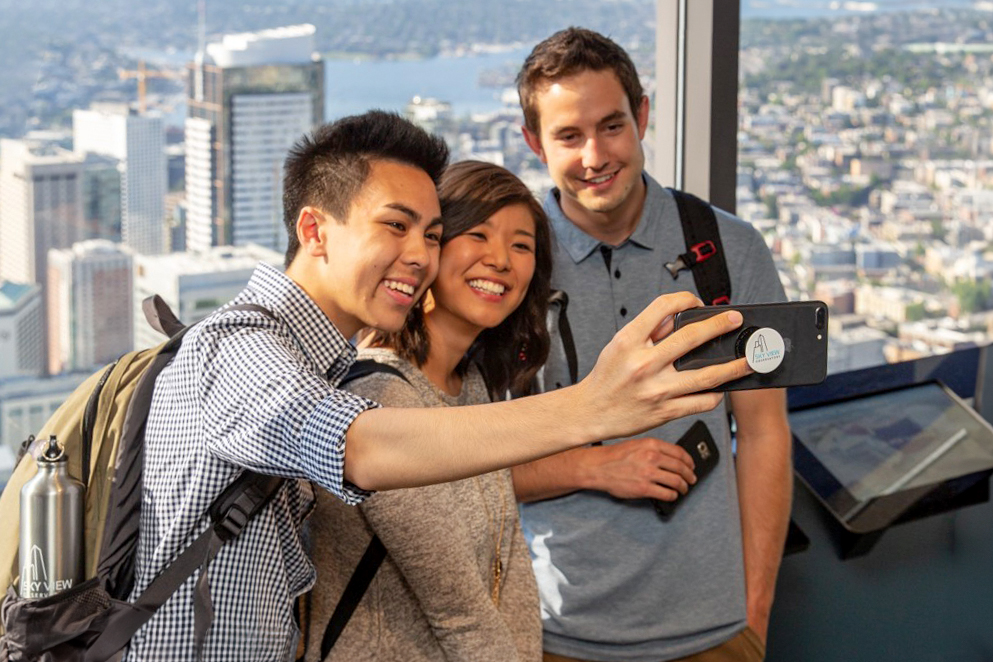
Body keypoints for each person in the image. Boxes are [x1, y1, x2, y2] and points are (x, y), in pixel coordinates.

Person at [125, 110, 751, 661]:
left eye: (430, 233)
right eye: (395, 226)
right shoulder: (236, 348)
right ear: (315, 231)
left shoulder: (332, 364)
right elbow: (357, 446)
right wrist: (592, 407)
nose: (420, 255)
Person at [512, 28, 792, 662]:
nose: (594, 155)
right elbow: (469, 465)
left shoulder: (728, 249)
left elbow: (764, 434)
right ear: (534, 143)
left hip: (717, 631)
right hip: (555, 634)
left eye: (611, 126)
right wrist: (596, 466)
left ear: (642, 117)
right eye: (568, 136)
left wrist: (754, 610)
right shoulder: (510, 265)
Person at [306, 161, 551, 662]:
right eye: (478, 235)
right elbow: (458, 610)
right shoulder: (382, 396)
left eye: (521, 245)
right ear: (431, 250)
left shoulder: (471, 383)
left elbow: (508, 566)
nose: (501, 260)